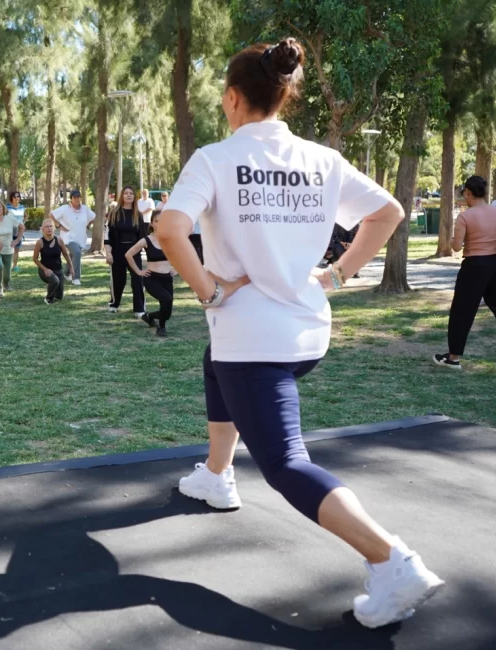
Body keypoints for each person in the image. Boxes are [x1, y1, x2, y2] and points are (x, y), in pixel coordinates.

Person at [159, 38, 443, 629]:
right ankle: (215, 475)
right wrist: (338, 273)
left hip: (254, 339)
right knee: (216, 362)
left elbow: (168, 228)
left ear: (232, 99)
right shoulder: (322, 160)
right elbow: (388, 211)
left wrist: (208, 291)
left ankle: (393, 561)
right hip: (306, 332)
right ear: (285, 94)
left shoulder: (214, 158)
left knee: (286, 462)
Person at [435, 176, 496, 372]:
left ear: (467, 193)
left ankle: (453, 358)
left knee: (462, 311)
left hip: (475, 266)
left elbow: (456, 247)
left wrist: (455, 237)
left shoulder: (465, 216)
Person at [126, 212, 175, 337]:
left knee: (167, 310)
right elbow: (128, 254)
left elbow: (182, 255)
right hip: (152, 278)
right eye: (157, 221)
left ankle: (149, 316)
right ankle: (161, 328)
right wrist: (138, 271)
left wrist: (177, 269)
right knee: (166, 299)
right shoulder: (146, 240)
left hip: (167, 278)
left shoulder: (170, 239)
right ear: (152, 223)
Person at [104, 186, 147, 315]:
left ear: (135, 197)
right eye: (126, 193)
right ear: (122, 196)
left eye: (131, 193)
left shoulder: (138, 215)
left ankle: (139, 309)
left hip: (134, 253)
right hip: (117, 251)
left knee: (137, 280)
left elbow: (142, 237)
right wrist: (108, 253)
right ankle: (114, 303)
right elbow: (107, 235)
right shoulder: (114, 213)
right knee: (118, 280)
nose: (129, 195)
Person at [50, 189, 95, 286]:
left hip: (80, 237)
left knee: (73, 255)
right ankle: (76, 278)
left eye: (78, 196)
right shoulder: (65, 208)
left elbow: (93, 217)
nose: (77, 198)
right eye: (75, 197)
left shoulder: (84, 208)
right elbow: (52, 214)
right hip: (68, 237)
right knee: (77, 253)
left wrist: (88, 226)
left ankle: (66, 273)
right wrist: (59, 226)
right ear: (71, 199)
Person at [33, 219, 73, 304]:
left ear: (54, 228)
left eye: (51, 226)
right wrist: (45, 269)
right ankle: (48, 298)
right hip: (45, 270)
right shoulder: (40, 242)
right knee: (55, 280)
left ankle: (53, 289)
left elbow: (66, 255)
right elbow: (35, 259)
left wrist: (71, 268)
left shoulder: (59, 240)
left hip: (58, 270)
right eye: (46, 226)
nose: (49, 228)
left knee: (59, 297)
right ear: (43, 229)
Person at [7, 191, 27, 272]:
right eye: (14, 197)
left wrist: (23, 223)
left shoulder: (22, 207)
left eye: (18, 196)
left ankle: (15, 266)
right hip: (9, 231)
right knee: (8, 248)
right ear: (11, 198)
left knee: (16, 249)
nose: (16, 198)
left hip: (19, 231)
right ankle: (7, 265)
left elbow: (25, 216)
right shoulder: (7, 207)